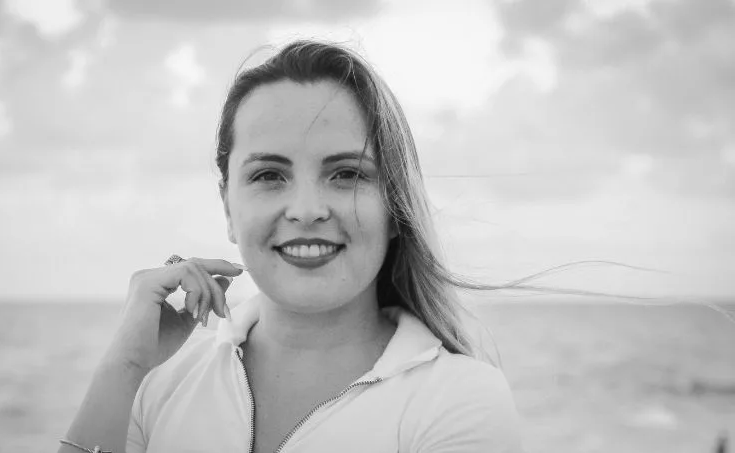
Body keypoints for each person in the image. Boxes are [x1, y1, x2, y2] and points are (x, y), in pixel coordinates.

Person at [58, 39, 523, 453]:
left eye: (346, 174)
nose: (306, 210)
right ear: (228, 207)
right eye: (269, 175)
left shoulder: (459, 399)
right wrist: (124, 367)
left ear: (395, 205)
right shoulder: (156, 386)